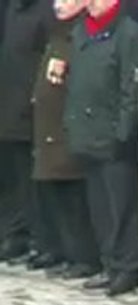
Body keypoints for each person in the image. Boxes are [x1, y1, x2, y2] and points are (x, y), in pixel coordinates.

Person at [63, 0, 138, 296]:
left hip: (114, 136)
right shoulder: (81, 31)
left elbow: (131, 88)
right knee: (100, 204)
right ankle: (110, 262)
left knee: (121, 204)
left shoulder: (128, 32)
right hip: (88, 132)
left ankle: (127, 266)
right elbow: (77, 80)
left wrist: (123, 131)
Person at [29, 0, 95, 278]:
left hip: (68, 130)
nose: (59, 5)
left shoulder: (79, 35)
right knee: (56, 197)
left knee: (75, 200)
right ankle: (65, 252)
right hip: (49, 130)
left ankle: (85, 257)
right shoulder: (57, 34)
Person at [0, 0, 52, 263]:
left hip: (28, 105)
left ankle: (36, 239)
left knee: (31, 180)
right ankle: (12, 233)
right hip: (7, 103)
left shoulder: (44, 10)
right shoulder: (11, 8)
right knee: (10, 177)